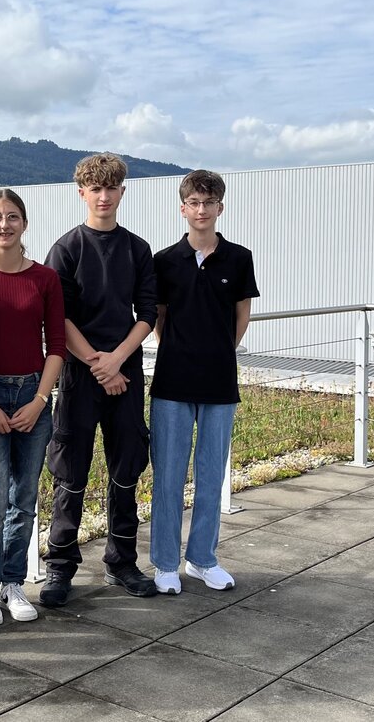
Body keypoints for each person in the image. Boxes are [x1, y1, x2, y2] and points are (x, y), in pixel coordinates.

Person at [40, 152, 158, 606]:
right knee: (70, 472)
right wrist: (97, 364)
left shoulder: (137, 249)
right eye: (96, 189)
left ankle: (122, 561)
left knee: (126, 468)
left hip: (125, 372)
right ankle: (60, 566)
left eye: (111, 188)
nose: (104, 196)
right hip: (79, 372)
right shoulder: (67, 249)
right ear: (82, 193)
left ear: (122, 192)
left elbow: (146, 313)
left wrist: (117, 361)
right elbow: (59, 318)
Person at [0, 189, 66, 625]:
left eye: (13, 217)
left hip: (32, 395)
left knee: (23, 499)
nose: (5, 225)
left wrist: (40, 401)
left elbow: (56, 346)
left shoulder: (45, 278)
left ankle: (11, 582)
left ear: (25, 223)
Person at [149, 169, 259, 594]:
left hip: (219, 382)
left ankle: (202, 559)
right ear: (183, 208)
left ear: (220, 207)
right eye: (194, 202)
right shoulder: (164, 261)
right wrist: (181, 350)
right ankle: (164, 563)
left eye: (208, 203)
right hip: (172, 382)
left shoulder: (239, 258)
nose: (201, 209)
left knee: (211, 476)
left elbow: (241, 315)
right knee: (168, 477)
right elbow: (159, 317)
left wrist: (218, 350)